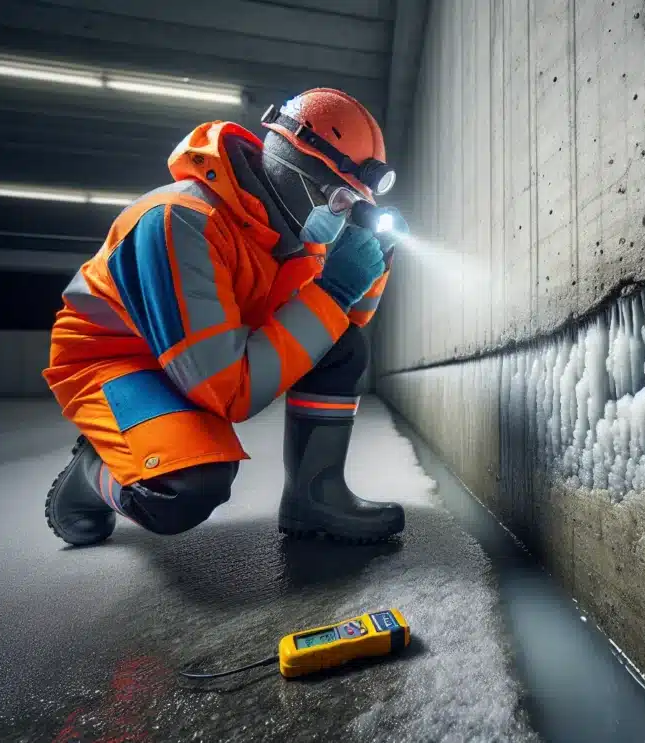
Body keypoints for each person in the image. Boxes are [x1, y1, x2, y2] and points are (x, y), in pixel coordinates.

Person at [42, 88, 407, 547]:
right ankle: (92, 474)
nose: (340, 216)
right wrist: (332, 289)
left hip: (202, 355)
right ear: (291, 169)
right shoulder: (178, 219)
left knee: (341, 346)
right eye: (337, 200)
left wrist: (376, 263)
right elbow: (229, 392)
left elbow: (348, 327)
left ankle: (314, 500)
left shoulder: (293, 226)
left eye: (352, 205)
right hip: (120, 363)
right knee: (186, 490)